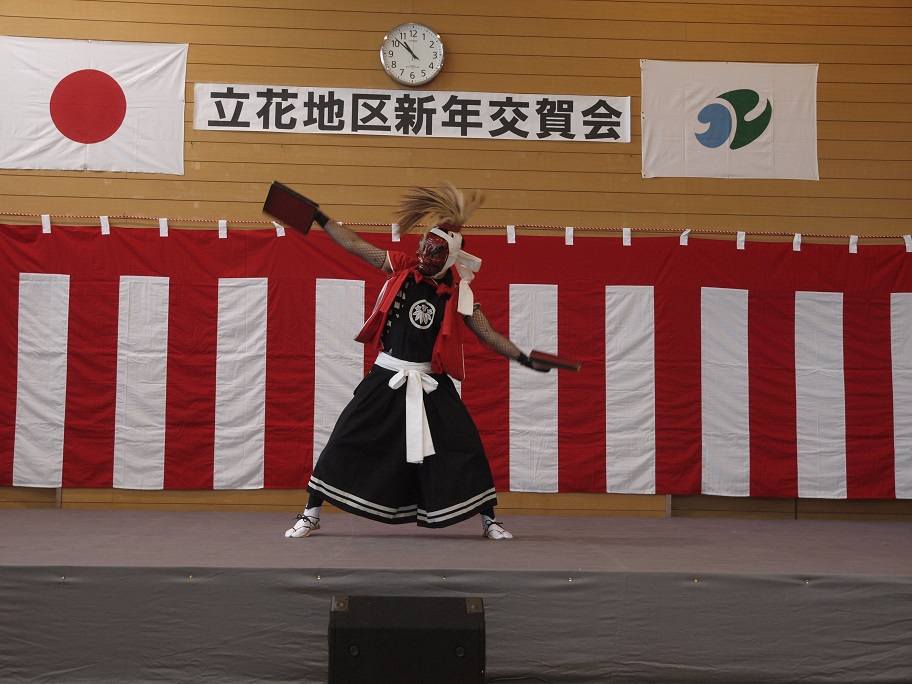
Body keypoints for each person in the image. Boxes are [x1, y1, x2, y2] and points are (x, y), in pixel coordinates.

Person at [284, 183, 548, 541]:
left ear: (449, 258)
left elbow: (487, 332)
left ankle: (489, 520)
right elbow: (355, 245)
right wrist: (320, 218)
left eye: (434, 251)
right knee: (345, 437)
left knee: (464, 446)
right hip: (387, 373)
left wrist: (523, 358)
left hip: (430, 382)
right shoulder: (402, 267)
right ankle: (311, 513)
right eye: (424, 246)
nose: (425, 254)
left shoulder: (458, 294)